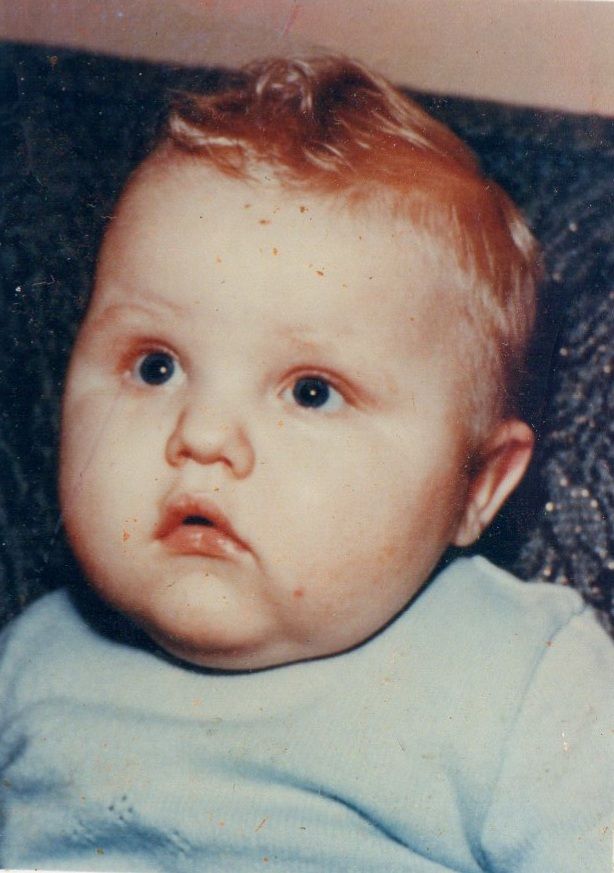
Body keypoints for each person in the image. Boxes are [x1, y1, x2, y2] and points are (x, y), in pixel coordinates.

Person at [0, 56, 610, 872]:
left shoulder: (525, 680)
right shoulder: (31, 661)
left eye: (312, 391)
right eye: (155, 365)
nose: (203, 435)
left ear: (477, 484)